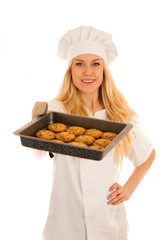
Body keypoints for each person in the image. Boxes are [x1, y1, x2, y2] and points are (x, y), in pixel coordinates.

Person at [32, 26, 156, 240]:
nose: (87, 72)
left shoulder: (121, 116)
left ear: (103, 71)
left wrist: (128, 189)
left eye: (95, 64)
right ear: (70, 70)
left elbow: (147, 155)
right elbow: (37, 150)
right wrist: (37, 115)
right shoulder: (56, 111)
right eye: (79, 64)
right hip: (64, 226)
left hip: (108, 225)